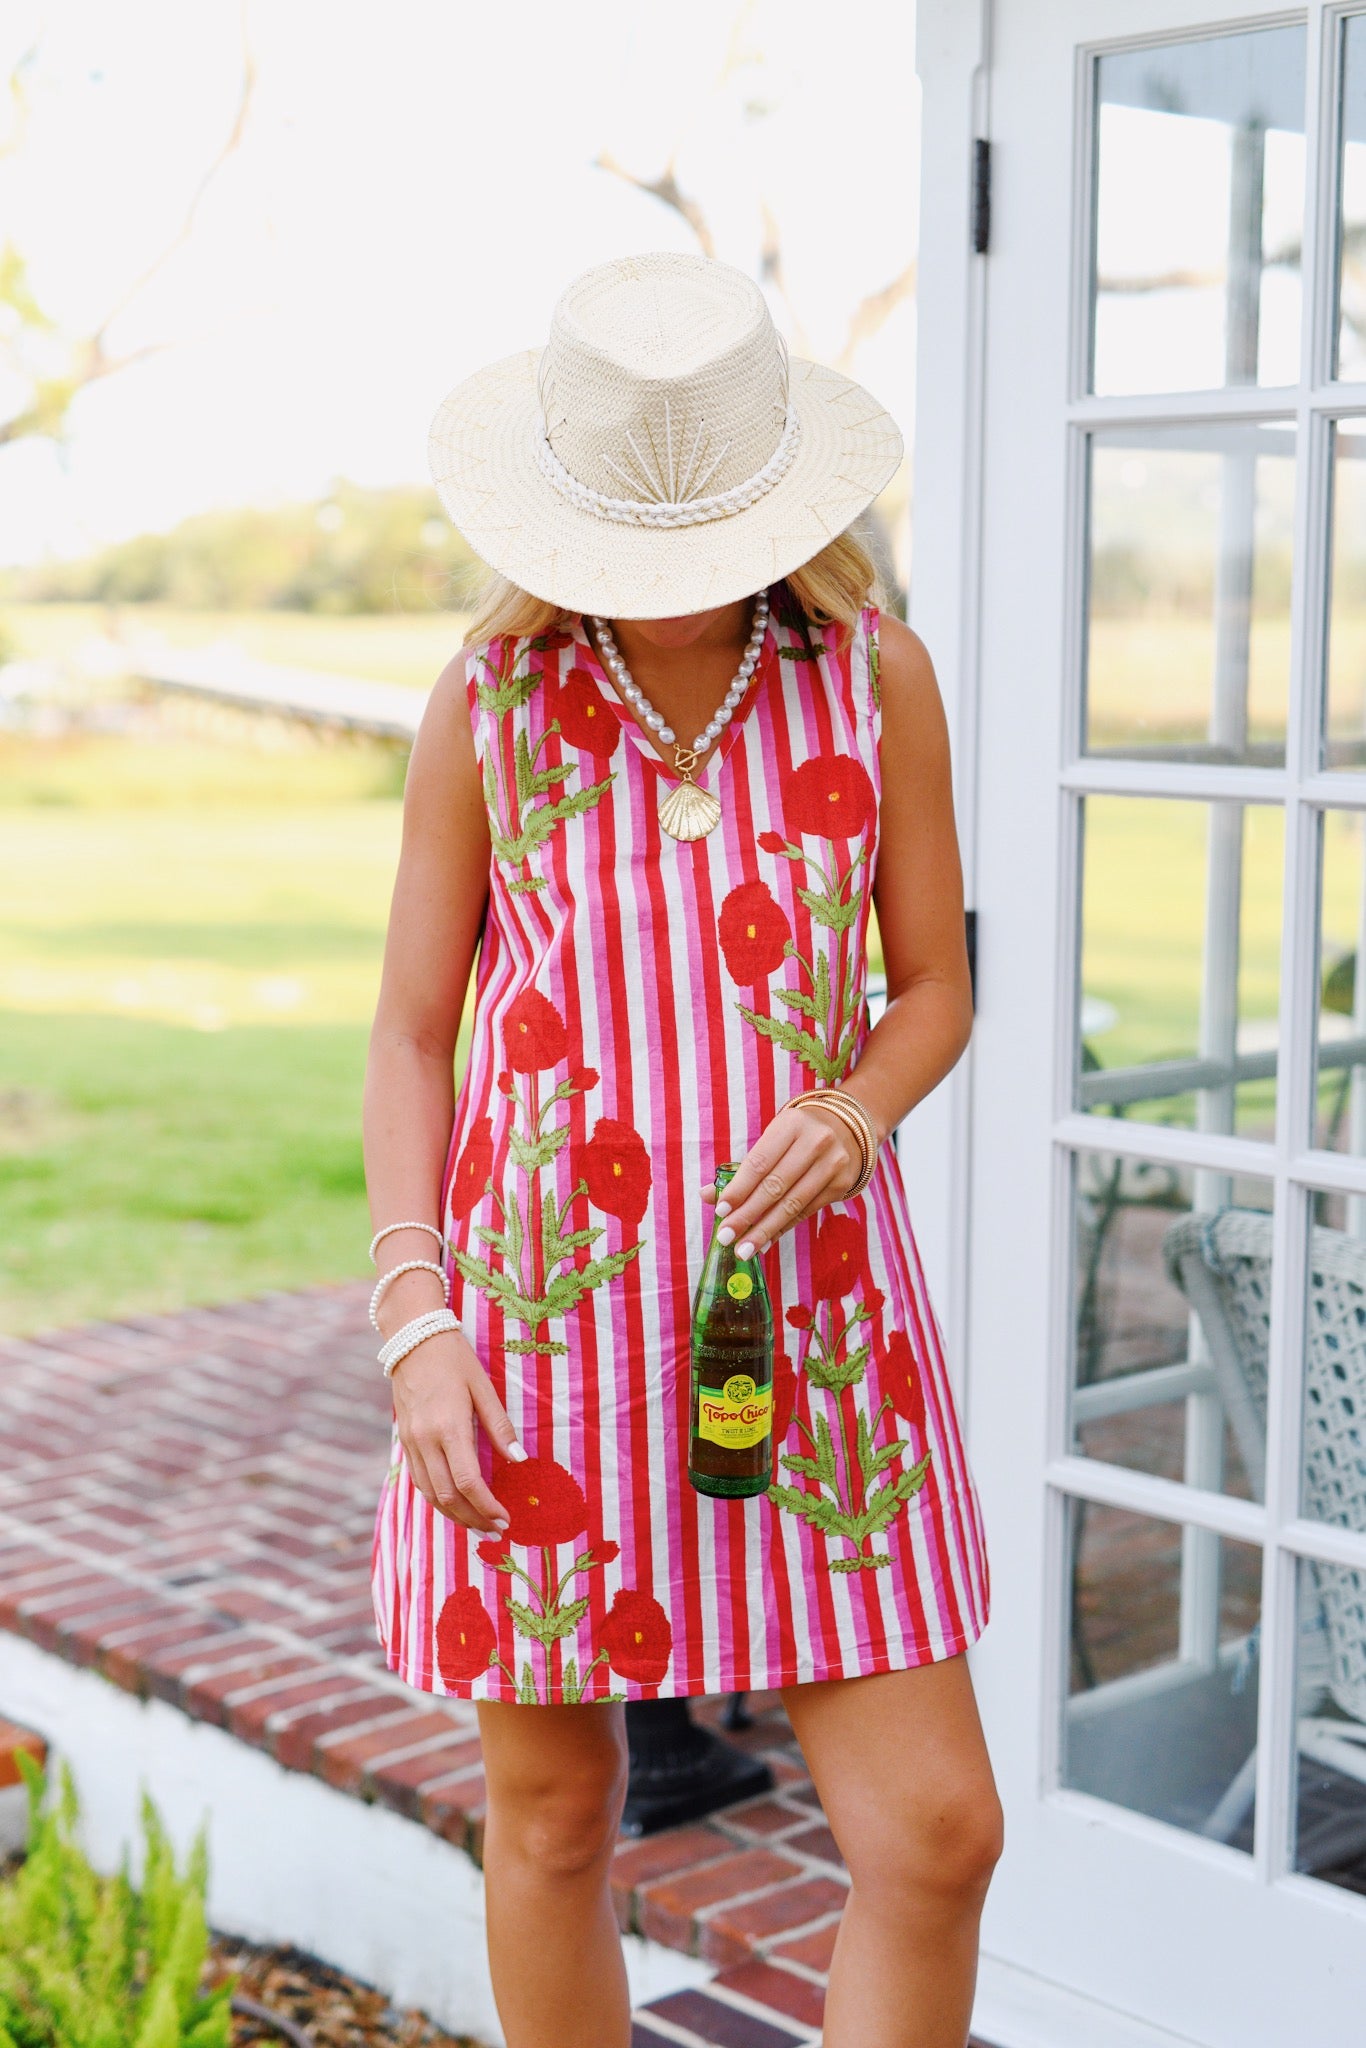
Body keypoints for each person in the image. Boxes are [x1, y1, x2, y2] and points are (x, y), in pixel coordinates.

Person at [363, 252, 1001, 2048]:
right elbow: (414, 1035)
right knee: (560, 1819)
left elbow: (938, 983)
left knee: (936, 1834)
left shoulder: (876, 679)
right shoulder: (484, 703)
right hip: (536, 1339)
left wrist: (853, 1100)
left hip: (814, 1334)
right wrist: (418, 1322)